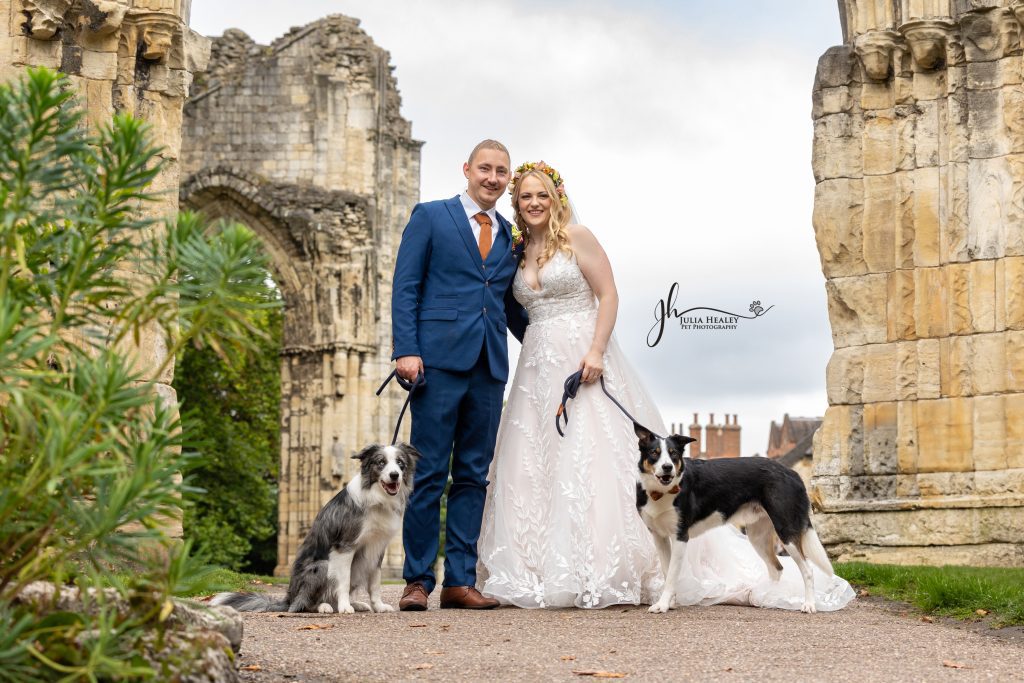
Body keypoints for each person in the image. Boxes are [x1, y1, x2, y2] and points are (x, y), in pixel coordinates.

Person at [476, 161, 855, 612]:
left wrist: (596, 351)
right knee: (533, 465)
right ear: (515, 204)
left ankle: (610, 570)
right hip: (536, 365)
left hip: (585, 355)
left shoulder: (578, 238)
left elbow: (609, 294)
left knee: (595, 458)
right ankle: (541, 571)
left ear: (556, 198)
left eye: (542, 194)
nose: (534, 203)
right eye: (525, 196)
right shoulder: (517, 251)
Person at [390, 140, 528, 611]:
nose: (492, 178)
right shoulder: (431, 216)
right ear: (467, 169)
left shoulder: (512, 235)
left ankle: (460, 581)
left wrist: (549, 339)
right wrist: (405, 349)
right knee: (428, 472)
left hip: (490, 366)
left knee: (473, 476)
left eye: (501, 172)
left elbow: (510, 304)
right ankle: (417, 581)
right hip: (437, 363)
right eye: (485, 168)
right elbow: (406, 285)